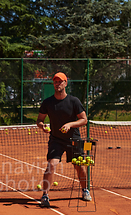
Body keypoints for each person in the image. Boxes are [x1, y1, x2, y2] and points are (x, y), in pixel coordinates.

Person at [36, 72, 92, 207]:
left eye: (60, 81)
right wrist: (42, 126)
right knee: (51, 165)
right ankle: (45, 195)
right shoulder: (48, 102)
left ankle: (85, 190)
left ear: (66, 83)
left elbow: (84, 120)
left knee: (79, 167)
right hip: (56, 139)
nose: (58, 84)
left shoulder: (74, 101)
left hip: (74, 139)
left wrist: (70, 124)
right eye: (55, 81)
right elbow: (39, 120)